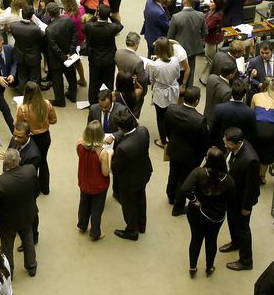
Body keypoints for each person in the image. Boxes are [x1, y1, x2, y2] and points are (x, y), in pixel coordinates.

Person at [175, 146, 234, 277]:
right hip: (217, 216)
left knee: (196, 239)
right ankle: (209, 267)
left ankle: (192, 267)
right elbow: (231, 198)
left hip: (197, 213)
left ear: (209, 160)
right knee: (211, 241)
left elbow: (185, 188)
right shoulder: (228, 179)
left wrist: (194, 200)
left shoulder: (199, 173)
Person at [0, 148, 39, 277]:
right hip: (27, 214)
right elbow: (36, 189)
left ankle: (8, 272)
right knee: (28, 239)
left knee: (7, 246)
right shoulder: (30, 170)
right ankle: (31, 266)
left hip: (7, 220)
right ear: (20, 159)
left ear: (4, 164)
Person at [221, 127, 261, 270]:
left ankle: (246, 261)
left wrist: (246, 207)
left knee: (243, 228)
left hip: (242, 200)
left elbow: (251, 187)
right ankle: (235, 242)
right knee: (232, 221)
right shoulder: (233, 149)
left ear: (238, 143)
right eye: (225, 142)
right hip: (232, 196)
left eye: (229, 144)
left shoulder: (250, 160)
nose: (226, 146)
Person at [110, 107, 152, 241]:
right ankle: (142, 224)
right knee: (141, 198)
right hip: (144, 173)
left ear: (120, 128)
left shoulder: (123, 148)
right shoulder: (143, 131)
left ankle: (132, 230)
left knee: (128, 205)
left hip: (128, 181)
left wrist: (110, 155)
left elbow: (115, 168)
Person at [165, 86, 208, 203]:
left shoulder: (171, 109)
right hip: (190, 155)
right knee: (184, 180)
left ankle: (170, 196)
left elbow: (167, 129)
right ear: (197, 101)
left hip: (173, 149)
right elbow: (203, 143)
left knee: (173, 174)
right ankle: (178, 206)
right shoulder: (200, 120)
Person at [15, 81, 57, 195]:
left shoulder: (22, 109)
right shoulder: (47, 104)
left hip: (31, 140)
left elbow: (18, 125)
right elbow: (54, 120)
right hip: (45, 137)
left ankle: (33, 190)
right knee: (43, 161)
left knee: (31, 165)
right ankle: (45, 188)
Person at [148, 37, 189, 147]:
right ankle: (171, 137)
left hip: (160, 92)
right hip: (173, 89)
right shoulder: (175, 60)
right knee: (171, 114)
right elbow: (177, 75)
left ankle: (163, 141)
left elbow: (151, 80)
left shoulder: (154, 65)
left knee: (160, 117)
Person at [76, 119, 111, 241]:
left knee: (84, 204)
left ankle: (82, 225)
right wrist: (109, 158)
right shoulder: (102, 153)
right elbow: (105, 173)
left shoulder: (80, 144)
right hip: (98, 186)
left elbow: (80, 154)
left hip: (84, 182)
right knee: (96, 209)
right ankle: (95, 233)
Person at [83, 4, 123, 105]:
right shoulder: (112, 28)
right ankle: (107, 103)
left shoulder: (91, 27)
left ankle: (93, 104)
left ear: (98, 14)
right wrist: (110, 15)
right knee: (108, 83)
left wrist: (94, 16)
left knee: (94, 83)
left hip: (94, 59)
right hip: (109, 60)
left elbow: (86, 25)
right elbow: (119, 24)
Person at [167, 0, 207, 88]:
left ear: (184, 1)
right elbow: (205, 33)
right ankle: (188, 91)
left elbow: (170, 37)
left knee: (177, 72)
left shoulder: (176, 17)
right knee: (191, 71)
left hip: (179, 50)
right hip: (193, 49)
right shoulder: (200, 15)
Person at [45, 0, 79, 106]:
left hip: (57, 58)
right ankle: (73, 95)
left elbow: (54, 47)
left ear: (49, 13)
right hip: (69, 54)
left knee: (57, 79)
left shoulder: (49, 29)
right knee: (71, 74)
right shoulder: (68, 20)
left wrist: (63, 57)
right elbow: (75, 36)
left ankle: (60, 100)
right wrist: (70, 52)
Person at [251, 79, 274, 182]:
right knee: (267, 152)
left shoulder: (256, 96)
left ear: (263, 86)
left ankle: (254, 174)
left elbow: (251, 114)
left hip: (257, 128)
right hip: (271, 130)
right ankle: (262, 176)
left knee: (254, 150)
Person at [8, 7, 45, 90]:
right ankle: (33, 99)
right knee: (34, 79)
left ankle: (23, 97)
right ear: (32, 16)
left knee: (22, 77)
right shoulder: (35, 28)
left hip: (20, 55)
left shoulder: (13, 25)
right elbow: (42, 36)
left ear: (22, 14)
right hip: (33, 56)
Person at [213, 79, 257, 148]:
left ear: (232, 91)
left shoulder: (219, 108)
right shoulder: (250, 112)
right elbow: (253, 134)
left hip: (222, 146)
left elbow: (214, 130)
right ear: (244, 95)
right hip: (239, 148)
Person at [114, 33, 148, 117]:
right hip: (132, 88)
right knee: (134, 109)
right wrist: (146, 71)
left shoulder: (118, 52)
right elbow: (142, 79)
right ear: (136, 44)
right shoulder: (138, 61)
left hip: (120, 83)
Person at [205, 58, 237, 132]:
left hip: (206, 114)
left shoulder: (211, 77)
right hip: (215, 121)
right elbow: (224, 111)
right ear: (231, 75)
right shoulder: (228, 91)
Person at [203, 0, 225, 72]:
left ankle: (209, 77)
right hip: (210, 39)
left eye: (211, 2)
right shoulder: (212, 11)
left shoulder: (217, 16)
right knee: (208, 58)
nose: (209, 4)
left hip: (213, 42)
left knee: (211, 60)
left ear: (217, 4)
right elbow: (204, 17)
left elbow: (206, 27)